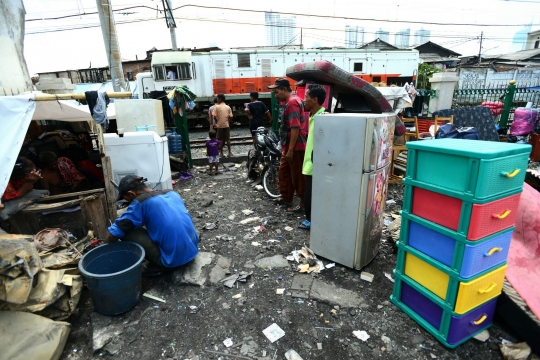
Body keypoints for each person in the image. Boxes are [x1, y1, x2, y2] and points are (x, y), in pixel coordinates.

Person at [105, 175, 199, 275]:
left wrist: (104, 249)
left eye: (128, 200)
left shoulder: (141, 202)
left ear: (131, 194)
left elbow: (114, 233)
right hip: (192, 251)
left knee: (124, 229)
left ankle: (156, 266)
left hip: (172, 262)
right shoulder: (172, 193)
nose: (129, 203)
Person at [268, 78, 308, 212]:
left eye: (277, 92)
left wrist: (290, 150)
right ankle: (287, 199)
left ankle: (302, 204)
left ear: (284, 90)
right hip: (289, 146)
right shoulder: (289, 102)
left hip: (296, 147)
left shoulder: (292, 103)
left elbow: (295, 127)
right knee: (284, 172)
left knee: (297, 176)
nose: (276, 95)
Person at [298, 85, 326, 230]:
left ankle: (310, 220)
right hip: (310, 163)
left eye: (306, 97)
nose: (304, 100)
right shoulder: (313, 116)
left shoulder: (323, 118)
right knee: (310, 193)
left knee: (311, 195)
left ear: (314, 100)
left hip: (316, 165)